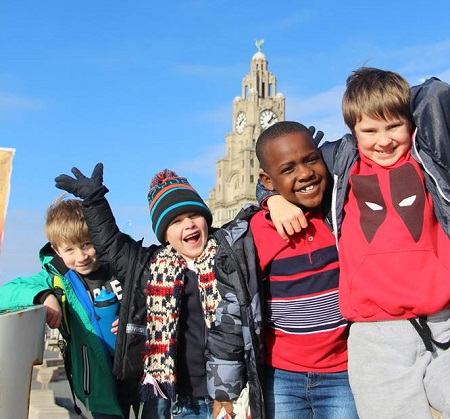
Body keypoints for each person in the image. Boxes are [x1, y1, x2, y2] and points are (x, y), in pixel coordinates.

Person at [258, 69, 450, 418]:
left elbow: (437, 96)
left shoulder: (431, 157)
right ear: (352, 132)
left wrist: (395, 96)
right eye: (369, 131)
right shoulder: (342, 166)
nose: (384, 140)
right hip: (377, 334)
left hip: (443, 322)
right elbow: (293, 174)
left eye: (394, 126)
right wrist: (271, 198)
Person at [54, 165, 265, 419]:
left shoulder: (229, 253)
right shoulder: (150, 266)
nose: (188, 225)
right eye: (176, 221)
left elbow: (258, 220)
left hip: (231, 396)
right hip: (173, 400)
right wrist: (94, 202)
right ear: (164, 233)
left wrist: (271, 195)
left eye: (193, 216)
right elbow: (111, 245)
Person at [247, 121, 357, 419]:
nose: (305, 173)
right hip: (282, 376)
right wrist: (270, 200)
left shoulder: (338, 213)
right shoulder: (258, 228)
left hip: (344, 371)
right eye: (289, 169)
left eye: (311, 160)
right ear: (267, 181)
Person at [0, 196, 146, 418]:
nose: (81, 257)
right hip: (99, 385)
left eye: (88, 244)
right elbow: (6, 292)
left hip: (146, 377)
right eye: (70, 250)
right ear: (56, 251)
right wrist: (44, 296)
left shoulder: (123, 264)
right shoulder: (58, 279)